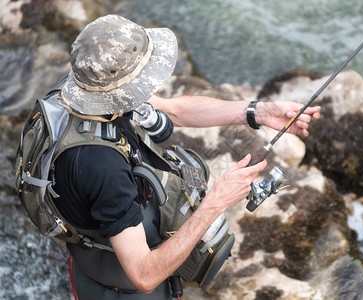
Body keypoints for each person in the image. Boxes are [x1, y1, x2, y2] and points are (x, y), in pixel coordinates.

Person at [52, 14, 320, 299]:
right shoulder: (102, 167)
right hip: (122, 290)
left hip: (88, 261)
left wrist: (258, 112)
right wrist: (215, 202)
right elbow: (144, 275)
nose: (151, 83)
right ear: (123, 89)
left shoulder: (82, 90)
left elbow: (175, 111)